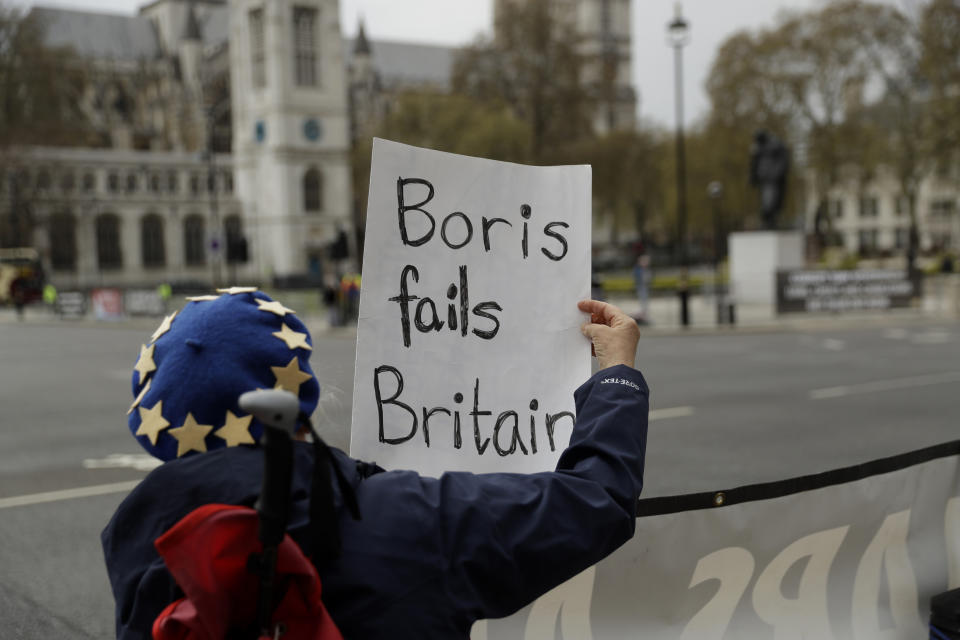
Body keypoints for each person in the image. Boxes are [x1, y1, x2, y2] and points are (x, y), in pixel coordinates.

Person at [102, 289, 648, 639]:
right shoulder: (409, 519)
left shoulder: (139, 555)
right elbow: (595, 503)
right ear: (301, 393)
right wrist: (616, 373)